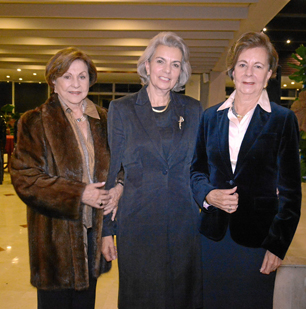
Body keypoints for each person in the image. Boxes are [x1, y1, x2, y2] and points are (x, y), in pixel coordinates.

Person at [190, 31, 302, 308]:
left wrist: (278, 245)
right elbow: (196, 171)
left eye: (258, 66)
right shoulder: (209, 117)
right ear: (232, 70)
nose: (249, 73)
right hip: (213, 238)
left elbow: (291, 193)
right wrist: (208, 195)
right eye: (242, 64)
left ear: (269, 74)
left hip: (258, 240)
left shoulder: (283, 120)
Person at [10, 47, 122, 309]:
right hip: (54, 241)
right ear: (54, 81)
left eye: (82, 76)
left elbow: (120, 167)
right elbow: (26, 178)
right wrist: (80, 193)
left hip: (93, 236)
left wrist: (119, 189)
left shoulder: (105, 120)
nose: (75, 84)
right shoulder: (34, 121)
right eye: (67, 76)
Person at [105, 32, 203, 308]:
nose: (167, 70)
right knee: (140, 298)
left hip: (183, 224)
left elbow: (202, 163)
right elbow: (112, 170)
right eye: (160, 61)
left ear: (181, 71)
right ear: (147, 65)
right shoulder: (121, 109)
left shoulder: (193, 110)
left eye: (175, 64)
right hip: (138, 225)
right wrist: (105, 230)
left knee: (182, 297)